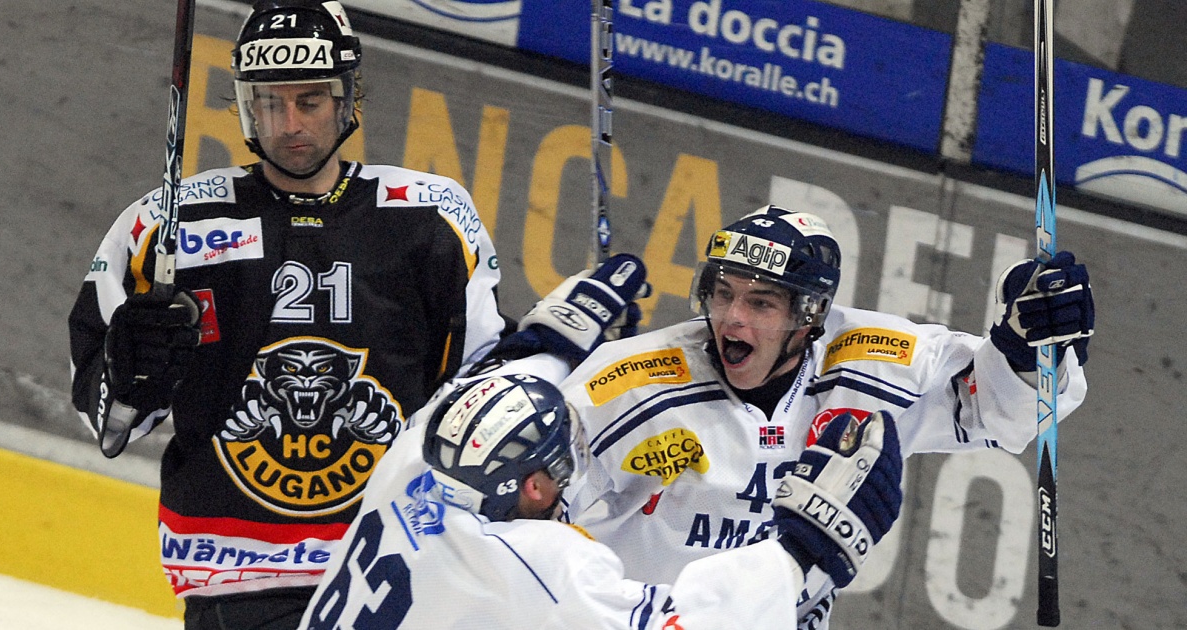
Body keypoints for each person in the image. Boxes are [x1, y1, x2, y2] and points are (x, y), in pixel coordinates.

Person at [67, 1, 512, 626]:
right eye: (269, 103)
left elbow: (483, 391)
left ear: (348, 98)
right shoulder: (168, 226)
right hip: (238, 575)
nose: (290, 124)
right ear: (245, 106)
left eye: (310, 100)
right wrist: (130, 375)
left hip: (396, 567)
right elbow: (108, 422)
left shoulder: (432, 218)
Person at [557, 204, 1094, 629]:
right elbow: (529, 495)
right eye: (723, 294)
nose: (733, 317)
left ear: (809, 313)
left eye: (761, 303)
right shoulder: (631, 382)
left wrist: (1027, 350)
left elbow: (996, 410)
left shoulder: (870, 359)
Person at [298, 373, 904, 629]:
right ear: (534, 487)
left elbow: (489, 376)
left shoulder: (407, 465)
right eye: (559, 467)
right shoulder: (540, 563)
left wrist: (556, 336)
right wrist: (804, 547)